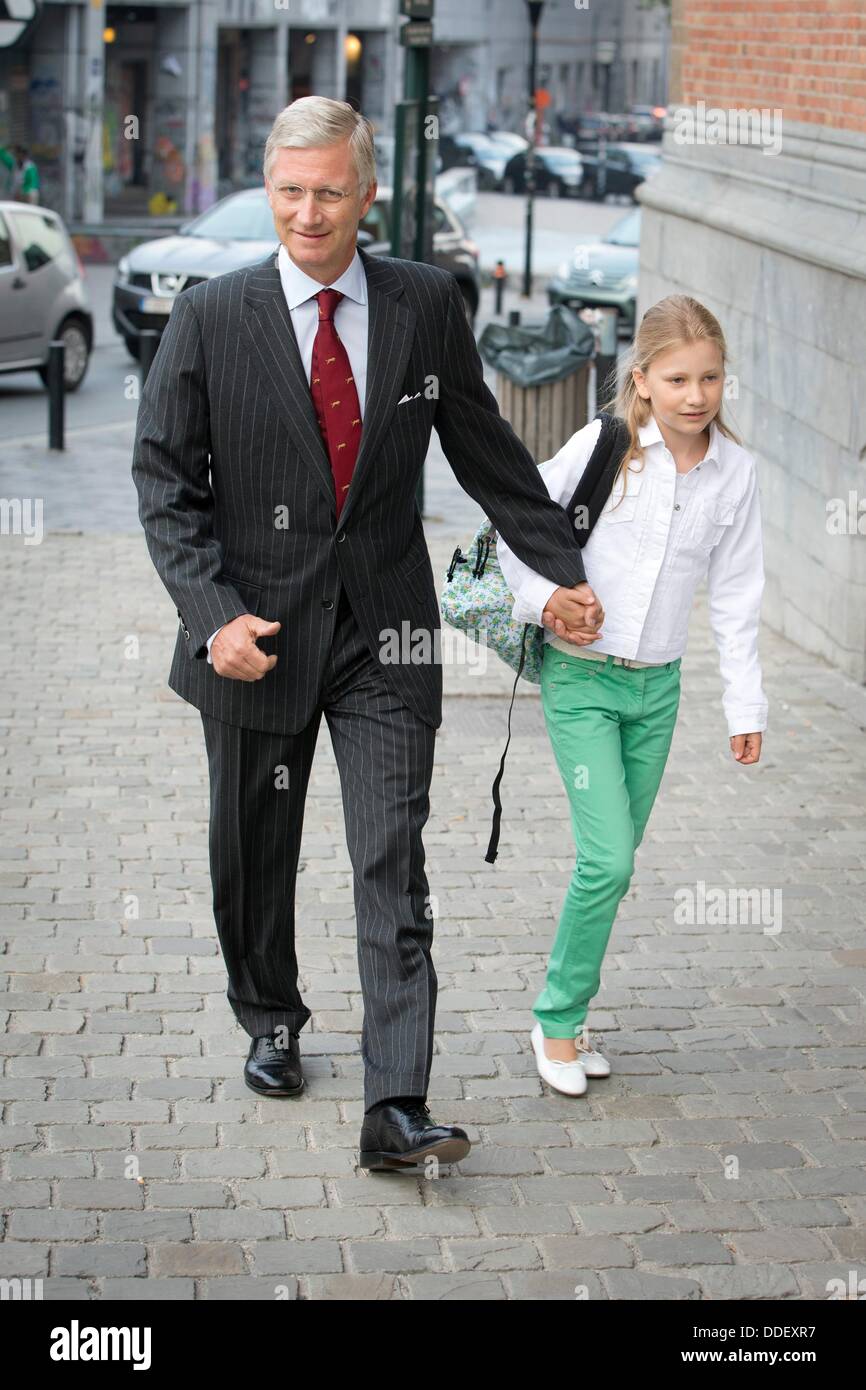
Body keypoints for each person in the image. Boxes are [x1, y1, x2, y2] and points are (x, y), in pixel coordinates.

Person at [131, 95, 604, 1171]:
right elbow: (163, 481)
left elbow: (486, 452)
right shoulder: (212, 316)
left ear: (367, 194)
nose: (306, 213)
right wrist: (210, 619)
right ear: (268, 188)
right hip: (255, 630)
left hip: (386, 635)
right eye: (288, 191)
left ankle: (395, 1101)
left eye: (328, 192)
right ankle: (270, 1017)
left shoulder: (424, 304)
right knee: (254, 855)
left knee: (391, 856)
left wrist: (561, 570)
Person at [497, 294, 768, 1098]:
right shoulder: (605, 448)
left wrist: (744, 708)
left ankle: (571, 1017)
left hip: (660, 692)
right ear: (643, 381)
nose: (696, 395)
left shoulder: (736, 473)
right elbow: (521, 522)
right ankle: (555, 1019)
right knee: (609, 859)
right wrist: (544, 602)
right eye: (678, 378)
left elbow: (737, 595)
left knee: (610, 865)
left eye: (710, 377)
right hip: (581, 680)